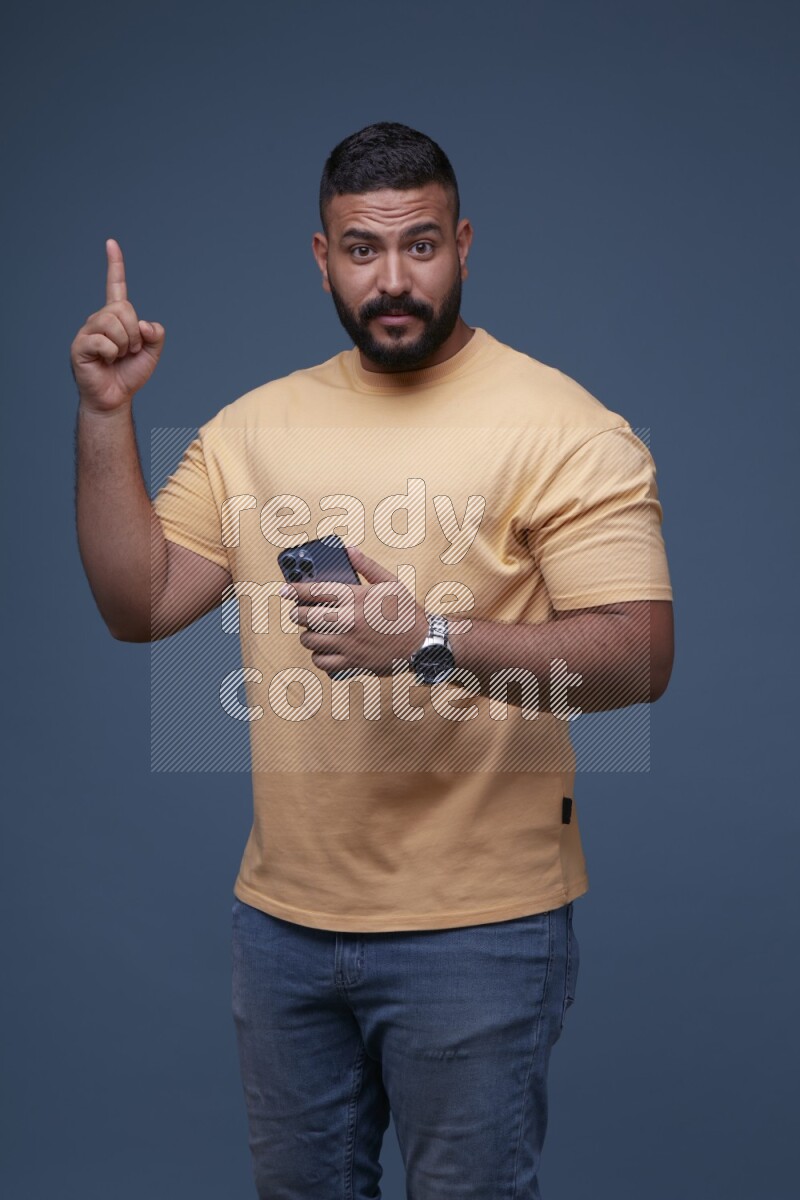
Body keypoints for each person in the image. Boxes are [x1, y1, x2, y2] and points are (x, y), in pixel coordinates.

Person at [71, 121, 673, 1199]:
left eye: (420, 246)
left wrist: (427, 641)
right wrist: (107, 416)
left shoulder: (563, 427)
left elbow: (635, 661)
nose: (392, 279)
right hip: (283, 928)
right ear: (321, 257)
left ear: (463, 243)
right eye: (361, 249)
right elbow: (140, 602)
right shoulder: (252, 428)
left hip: (480, 930)